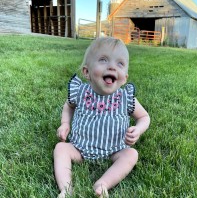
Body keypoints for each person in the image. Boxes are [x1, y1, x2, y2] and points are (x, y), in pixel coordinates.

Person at [53, 37, 150, 198]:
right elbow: (68, 106)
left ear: (125, 78)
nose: (112, 66)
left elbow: (144, 117)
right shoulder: (80, 92)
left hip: (115, 150)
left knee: (131, 154)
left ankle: (103, 183)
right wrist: (65, 123)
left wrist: (138, 129)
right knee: (61, 148)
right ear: (87, 72)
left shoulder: (126, 97)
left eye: (120, 64)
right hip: (79, 148)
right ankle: (66, 188)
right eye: (103, 60)